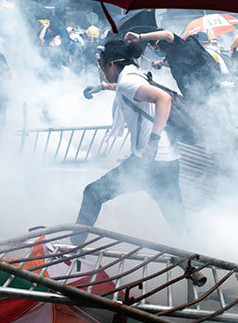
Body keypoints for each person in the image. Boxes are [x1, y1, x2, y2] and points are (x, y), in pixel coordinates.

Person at [72, 40, 187, 245]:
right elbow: (128, 89)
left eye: (101, 68)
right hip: (166, 161)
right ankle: (205, 254)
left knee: (92, 194)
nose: (103, 73)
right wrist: (102, 87)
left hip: (150, 162)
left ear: (110, 65)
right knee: (179, 223)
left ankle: (71, 249)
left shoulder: (128, 81)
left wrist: (153, 140)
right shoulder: (133, 74)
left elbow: (163, 99)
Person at [124, 29, 221, 106]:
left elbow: (167, 34)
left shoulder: (181, 47)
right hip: (194, 97)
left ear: (160, 42)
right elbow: (176, 63)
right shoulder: (172, 56)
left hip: (208, 90)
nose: (156, 50)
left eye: (155, 47)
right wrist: (161, 63)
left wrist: (140, 37)